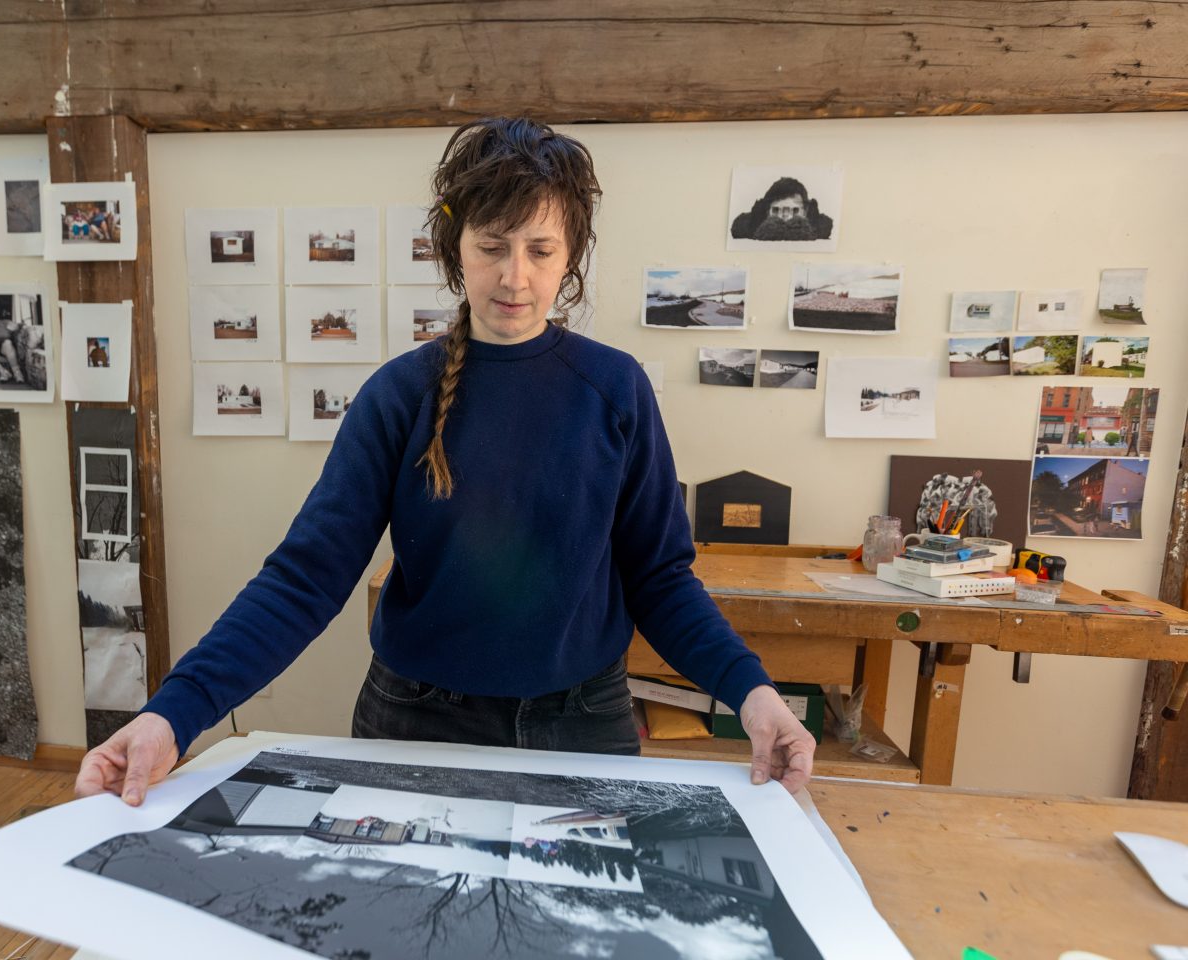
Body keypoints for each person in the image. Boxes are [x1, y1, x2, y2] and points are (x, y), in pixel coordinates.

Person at [75, 117, 816, 807]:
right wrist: (173, 714)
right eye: (492, 246)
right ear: (454, 248)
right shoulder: (399, 396)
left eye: (540, 250)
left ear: (573, 255)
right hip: (415, 722)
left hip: (582, 723)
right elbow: (306, 576)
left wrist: (751, 691)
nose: (514, 278)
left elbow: (660, 578)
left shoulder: (614, 389)